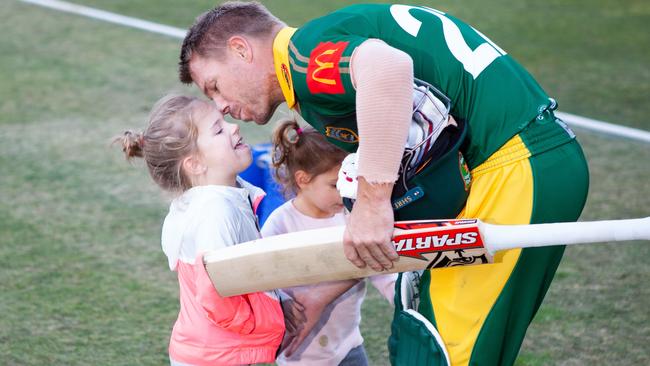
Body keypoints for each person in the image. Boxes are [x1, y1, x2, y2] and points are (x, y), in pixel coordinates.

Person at [177, 2, 590, 365]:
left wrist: (373, 200)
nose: (221, 105)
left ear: (240, 49)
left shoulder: (304, 59)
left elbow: (388, 67)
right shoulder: (318, 55)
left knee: (440, 350)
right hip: (514, 163)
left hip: (515, 163)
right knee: (416, 329)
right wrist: (321, 294)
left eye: (214, 86)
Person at [115, 94, 305, 366]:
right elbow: (216, 294)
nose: (233, 127)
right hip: (219, 356)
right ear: (194, 164)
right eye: (218, 129)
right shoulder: (215, 212)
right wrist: (265, 321)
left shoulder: (208, 200)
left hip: (213, 350)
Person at [261, 119, 397, 365]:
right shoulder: (280, 225)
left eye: (350, 182)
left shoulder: (351, 217)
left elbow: (379, 265)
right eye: (335, 185)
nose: (344, 192)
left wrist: (400, 298)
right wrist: (282, 301)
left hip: (349, 346)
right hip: (301, 355)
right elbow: (261, 278)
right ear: (303, 180)